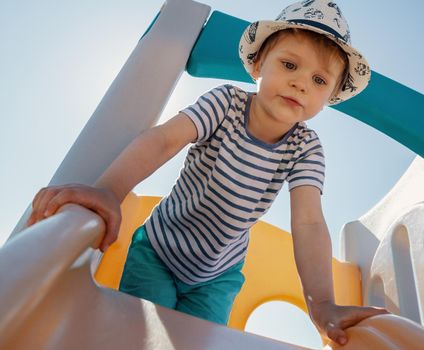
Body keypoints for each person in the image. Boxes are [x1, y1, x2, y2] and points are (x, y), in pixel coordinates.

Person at [27, 0, 387, 345]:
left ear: (329, 97)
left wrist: (322, 303)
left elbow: (308, 222)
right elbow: (164, 140)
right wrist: (109, 191)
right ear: (259, 63)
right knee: (139, 336)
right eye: (290, 65)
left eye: (319, 80)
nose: (301, 83)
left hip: (218, 276)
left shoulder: (305, 147)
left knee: (195, 344)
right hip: (160, 250)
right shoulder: (226, 103)